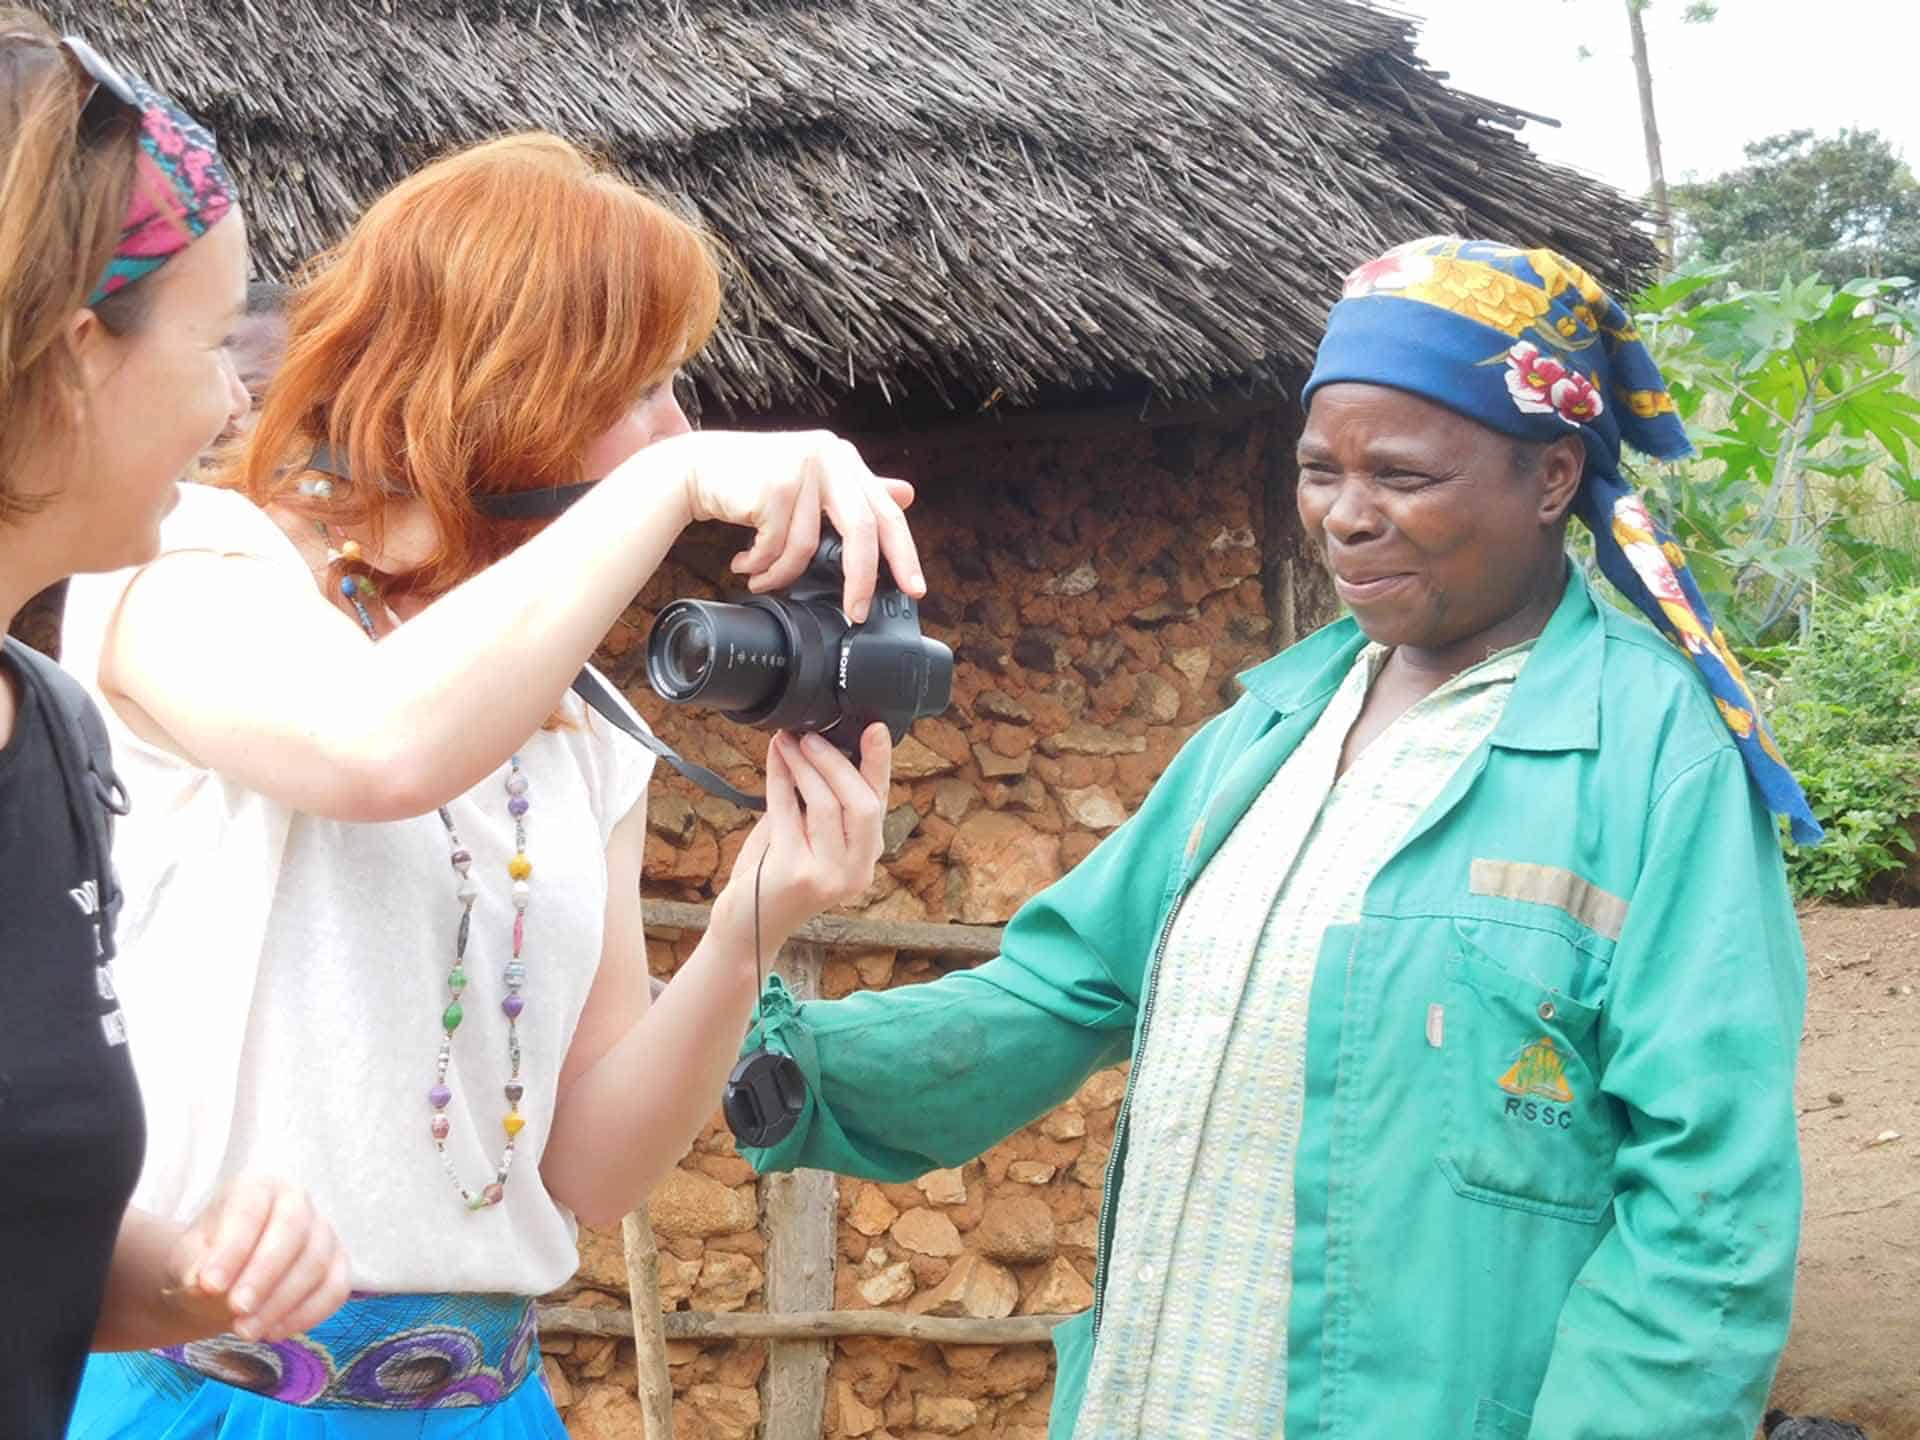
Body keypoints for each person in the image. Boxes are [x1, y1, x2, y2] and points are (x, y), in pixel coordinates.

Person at [740, 237, 1815, 1440]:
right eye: (1318, 470)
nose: (1346, 517)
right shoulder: (1272, 725)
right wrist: (767, 1056)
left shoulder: (1651, 760)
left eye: (1402, 475)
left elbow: (1708, 1204)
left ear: (1553, 476)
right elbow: (1062, 989)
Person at [62, 129, 919, 1435]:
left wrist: (755, 924)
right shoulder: (191, 564)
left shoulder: (583, 723)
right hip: (208, 1399)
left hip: (487, 1404)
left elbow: (592, 1169)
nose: (680, 429)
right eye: (644, 388)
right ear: (501, 381)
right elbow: (374, 748)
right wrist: (677, 484)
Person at [0, 17, 351, 1437]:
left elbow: (36, 1252)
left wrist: (201, 1278)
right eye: (213, 344)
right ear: (75, 358)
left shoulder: (53, 739)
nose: (233, 400)